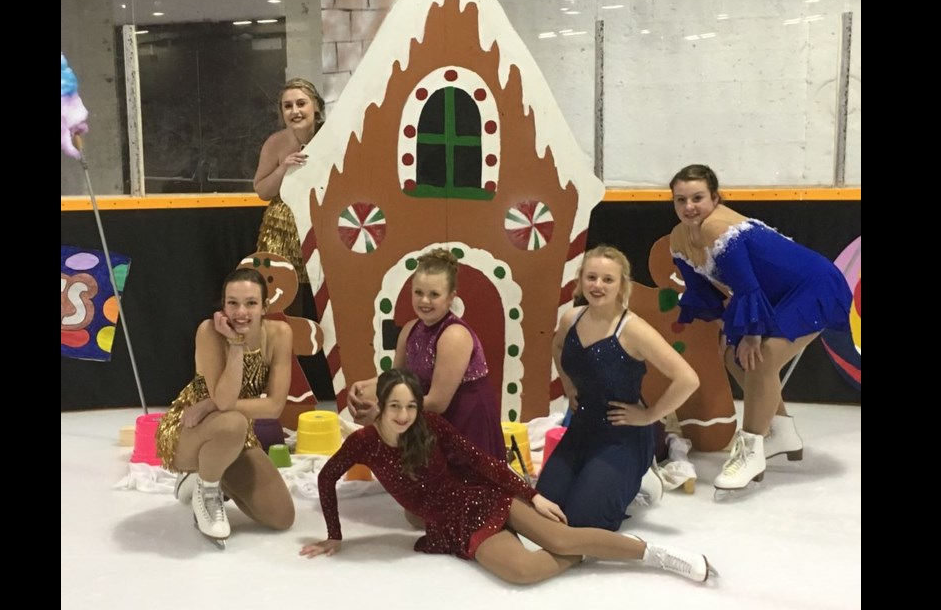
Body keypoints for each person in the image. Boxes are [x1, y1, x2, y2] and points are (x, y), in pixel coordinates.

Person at [300, 369, 714, 585]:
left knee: (563, 536)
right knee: (522, 571)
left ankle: (655, 555)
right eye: (395, 407)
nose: (404, 416)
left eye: (411, 406)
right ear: (381, 406)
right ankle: (595, 550)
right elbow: (327, 478)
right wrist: (335, 534)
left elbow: (482, 461)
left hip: (479, 495)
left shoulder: (431, 425)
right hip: (452, 521)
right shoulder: (364, 443)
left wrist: (531, 496)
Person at [667, 164, 852, 491]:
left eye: (697, 198)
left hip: (814, 285)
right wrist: (733, 331)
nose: (689, 207)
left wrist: (751, 334)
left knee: (761, 355)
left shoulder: (719, 230)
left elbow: (747, 288)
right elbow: (708, 294)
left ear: (715, 198)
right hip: (775, 295)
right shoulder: (679, 239)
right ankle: (781, 430)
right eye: (680, 200)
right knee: (734, 356)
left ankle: (751, 450)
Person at [536, 246, 700, 530]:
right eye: (591, 277)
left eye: (608, 279)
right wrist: (568, 385)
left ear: (622, 284)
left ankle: (641, 478)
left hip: (621, 436)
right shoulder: (571, 319)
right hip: (582, 427)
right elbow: (558, 345)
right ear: (581, 280)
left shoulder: (633, 329)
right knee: (544, 508)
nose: (598, 286)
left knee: (583, 520)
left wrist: (649, 416)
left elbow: (688, 379)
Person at [155, 268, 296, 544]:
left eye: (251, 303)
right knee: (233, 422)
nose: (241, 312)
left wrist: (212, 404)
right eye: (232, 303)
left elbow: (275, 407)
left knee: (281, 516)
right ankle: (205, 490)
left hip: (236, 436)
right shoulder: (208, 331)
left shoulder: (280, 334)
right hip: (189, 429)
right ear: (223, 306)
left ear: (265, 306)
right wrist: (234, 345)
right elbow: (225, 402)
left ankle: (208, 477)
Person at [347, 248, 506, 461]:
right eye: (419, 292)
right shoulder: (411, 329)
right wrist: (364, 386)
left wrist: (385, 411)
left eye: (434, 295)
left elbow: (438, 402)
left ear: (451, 298)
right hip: (429, 416)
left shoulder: (454, 335)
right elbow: (395, 377)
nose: (424, 301)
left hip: (465, 422)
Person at [253, 78, 325, 296]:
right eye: (288, 106)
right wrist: (284, 167)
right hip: (282, 229)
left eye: (301, 103)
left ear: (317, 106)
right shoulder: (275, 143)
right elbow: (263, 191)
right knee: (283, 293)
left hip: (323, 222)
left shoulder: (333, 136)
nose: (295, 111)